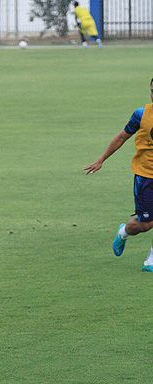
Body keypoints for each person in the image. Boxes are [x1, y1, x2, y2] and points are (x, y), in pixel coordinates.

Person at [84, 79, 153, 271]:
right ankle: (123, 233)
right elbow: (122, 137)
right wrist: (101, 160)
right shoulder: (141, 115)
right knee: (145, 224)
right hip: (146, 175)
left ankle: (150, 261)